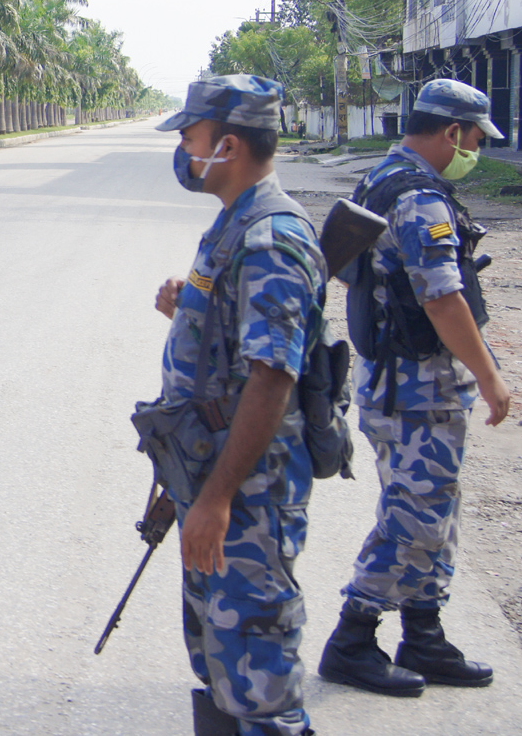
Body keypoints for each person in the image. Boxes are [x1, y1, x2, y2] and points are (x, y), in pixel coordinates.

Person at [317, 78, 512, 698]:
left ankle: (423, 635)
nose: (476, 148)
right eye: (476, 138)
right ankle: (353, 636)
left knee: (432, 508)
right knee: (415, 515)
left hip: (393, 379)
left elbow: (355, 273)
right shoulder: (420, 198)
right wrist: (489, 375)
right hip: (418, 387)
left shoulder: (377, 179)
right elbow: (442, 298)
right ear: (452, 131)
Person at [149, 75, 325, 735]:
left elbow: (272, 380)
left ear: (227, 144)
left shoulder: (271, 237)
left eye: (190, 136)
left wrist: (219, 498)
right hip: (213, 475)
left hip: (246, 493)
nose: (185, 150)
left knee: (258, 677)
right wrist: (187, 303)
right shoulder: (235, 223)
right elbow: (235, 338)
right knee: (223, 660)